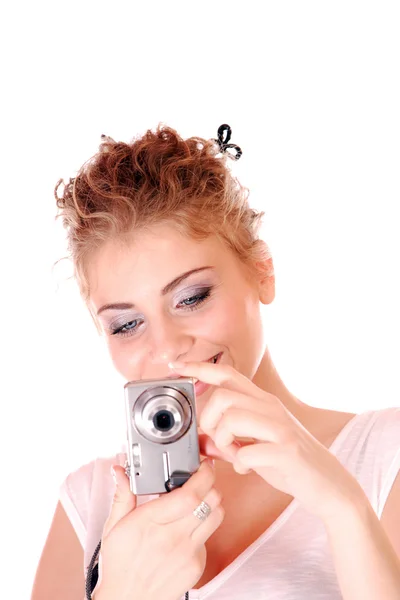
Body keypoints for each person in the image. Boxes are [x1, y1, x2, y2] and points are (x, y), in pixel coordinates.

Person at [31, 123, 400, 600]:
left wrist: (343, 507)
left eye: (191, 297)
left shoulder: (385, 456)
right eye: (127, 325)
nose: (167, 348)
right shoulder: (89, 502)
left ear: (261, 273)